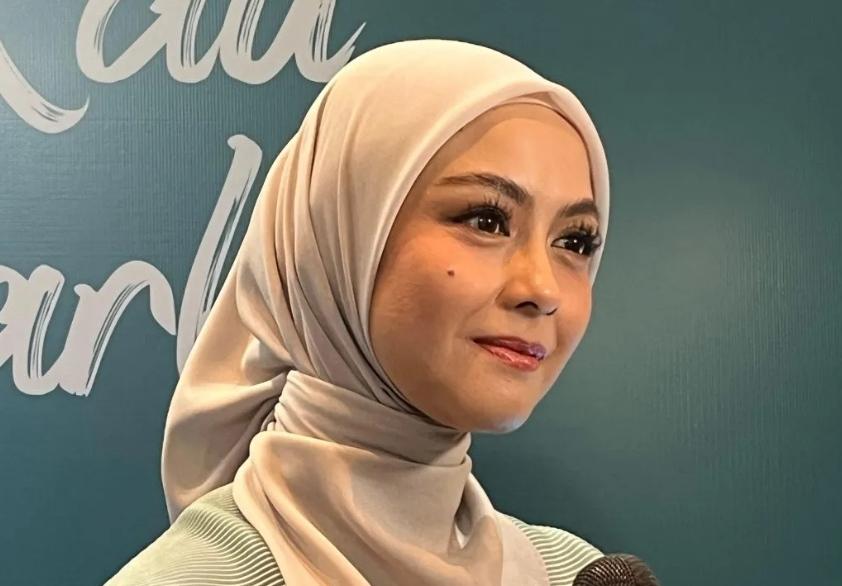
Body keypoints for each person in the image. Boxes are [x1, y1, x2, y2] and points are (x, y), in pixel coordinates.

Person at [105, 37, 611, 586]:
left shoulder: (572, 573)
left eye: (575, 242)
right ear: (339, 237)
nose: (543, 288)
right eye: (486, 221)